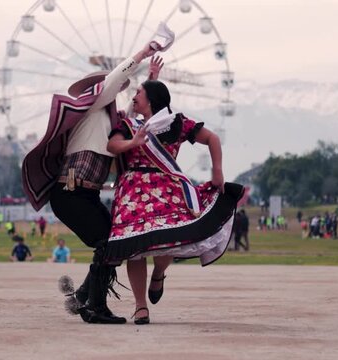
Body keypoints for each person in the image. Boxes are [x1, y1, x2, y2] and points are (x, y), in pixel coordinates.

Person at [22, 40, 161, 324]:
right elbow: (114, 79)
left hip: (84, 195)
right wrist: (143, 54)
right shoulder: (92, 107)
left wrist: (152, 82)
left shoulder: (109, 120)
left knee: (116, 242)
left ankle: (86, 295)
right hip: (71, 193)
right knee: (109, 244)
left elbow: (134, 121)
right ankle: (94, 306)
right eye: (108, 87)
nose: (114, 90)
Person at [104, 79, 244, 324]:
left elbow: (212, 139)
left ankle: (158, 273)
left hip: (168, 188)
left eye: (139, 92)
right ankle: (140, 306)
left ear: (151, 99)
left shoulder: (176, 123)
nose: (134, 96)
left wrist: (218, 171)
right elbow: (112, 145)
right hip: (133, 192)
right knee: (135, 247)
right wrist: (132, 143)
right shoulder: (128, 124)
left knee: (170, 237)